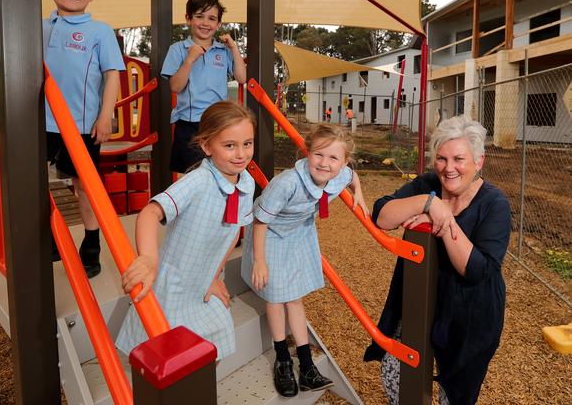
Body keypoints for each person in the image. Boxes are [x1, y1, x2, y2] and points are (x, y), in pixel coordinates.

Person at [0, 0, 125, 278]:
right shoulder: (38, 27)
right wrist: (2, 63)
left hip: (81, 124)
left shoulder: (99, 31)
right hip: (40, 122)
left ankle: (91, 245)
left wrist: (106, 116)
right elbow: (21, 62)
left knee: (85, 186)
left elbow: (112, 75)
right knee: (32, 183)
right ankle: (48, 239)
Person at [363, 116, 511, 405]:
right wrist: (429, 203)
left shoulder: (494, 204)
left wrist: (445, 223)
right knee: (396, 375)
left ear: (479, 161)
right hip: (420, 302)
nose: (448, 167)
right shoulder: (428, 184)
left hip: (470, 312)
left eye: (459, 158)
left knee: (454, 393)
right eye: (441, 158)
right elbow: (381, 216)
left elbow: (478, 270)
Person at [115, 101, 256, 360]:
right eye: (229, 145)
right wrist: (148, 258)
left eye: (247, 143)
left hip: (202, 283)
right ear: (206, 146)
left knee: (212, 337)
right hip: (173, 286)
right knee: (167, 350)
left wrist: (215, 276)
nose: (241, 154)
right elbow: (150, 212)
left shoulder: (246, 184)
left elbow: (234, 231)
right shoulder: (198, 181)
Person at [241, 123, 368, 397]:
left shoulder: (340, 173)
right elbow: (261, 221)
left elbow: (351, 176)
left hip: (297, 233)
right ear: (307, 152)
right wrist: (259, 261)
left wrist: (359, 191)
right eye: (318, 154)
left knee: (295, 297)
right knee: (276, 296)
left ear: (343, 161)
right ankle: (282, 359)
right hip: (271, 233)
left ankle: (307, 366)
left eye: (333, 158)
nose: (324, 163)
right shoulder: (287, 183)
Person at [162, 0, 247, 174]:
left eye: (211, 18)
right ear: (188, 19)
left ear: (218, 24)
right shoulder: (178, 49)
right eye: (199, 16)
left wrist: (233, 48)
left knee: (218, 171)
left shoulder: (223, 51)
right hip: (190, 123)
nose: (205, 23)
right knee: (192, 174)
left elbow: (242, 78)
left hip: (217, 122)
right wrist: (189, 60)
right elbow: (175, 87)